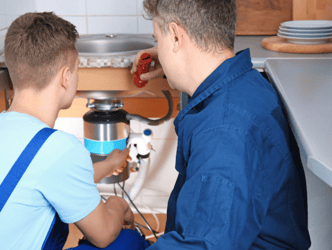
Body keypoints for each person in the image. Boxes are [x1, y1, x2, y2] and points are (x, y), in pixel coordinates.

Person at [131, 0, 311, 249]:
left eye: (158, 40)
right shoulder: (246, 83)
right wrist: (174, 60)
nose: (158, 49)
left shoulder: (224, 132)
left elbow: (203, 245)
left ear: (175, 36)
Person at [0, 12, 149, 250]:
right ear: (65, 77)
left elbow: (48, 175)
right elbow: (103, 235)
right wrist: (118, 204)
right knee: (127, 241)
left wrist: (110, 163)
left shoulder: (11, 131)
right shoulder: (59, 147)